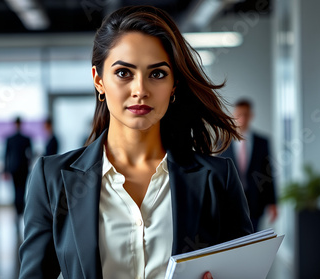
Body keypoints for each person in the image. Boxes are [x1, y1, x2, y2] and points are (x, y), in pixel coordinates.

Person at [19, 5, 253, 279]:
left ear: (174, 84)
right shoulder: (53, 179)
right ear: (99, 80)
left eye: (157, 74)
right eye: (123, 73)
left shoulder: (217, 178)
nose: (140, 90)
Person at [220, 99, 277, 232]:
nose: (242, 118)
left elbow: (268, 172)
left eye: (246, 114)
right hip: (230, 202)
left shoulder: (262, 142)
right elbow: (218, 174)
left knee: (253, 237)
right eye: (239, 114)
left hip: (256, 201)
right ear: (233, 115)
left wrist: (273, 203)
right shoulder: (222, 142)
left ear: (251, 115)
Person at [4, 117, 33, 218]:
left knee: (16, 189)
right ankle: (20, 209)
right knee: (22, 189)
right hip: (23, 167)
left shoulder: (10, 139)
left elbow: (6, 155)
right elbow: (30, 155)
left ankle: (17, 210)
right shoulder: (26, 138)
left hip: (14, 167)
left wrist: (6, 170)